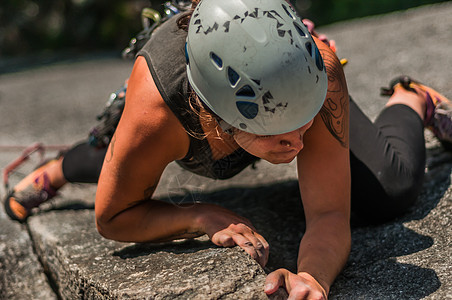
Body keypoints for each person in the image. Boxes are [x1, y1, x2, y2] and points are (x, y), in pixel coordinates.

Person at [3, 0, 451, 298]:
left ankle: (412, 98)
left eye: (304, 125)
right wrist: (201, 216)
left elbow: (329, 214)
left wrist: (311, 278)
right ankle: (56, 171)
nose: (298, 145)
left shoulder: (321, 71)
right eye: (280, 135)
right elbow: (112, 217)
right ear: (216, 118)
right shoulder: (160, 112)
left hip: (270, 82)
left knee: (390, 187)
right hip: (187, 98)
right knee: (105, 161)